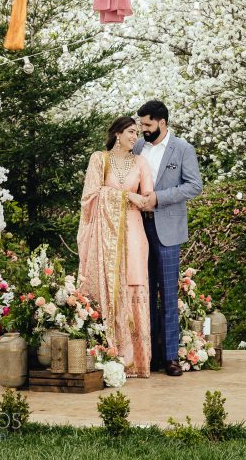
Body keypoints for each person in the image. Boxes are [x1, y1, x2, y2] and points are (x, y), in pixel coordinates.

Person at [77, 116, 153, 378]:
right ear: (117, 134)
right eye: (131, 132)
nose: (136, 137)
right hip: (104, 238)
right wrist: (125, 196)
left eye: (137, 133)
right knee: (108, 288)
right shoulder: (100, 159)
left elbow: (148, 201)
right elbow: (89, 197)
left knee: (133, 285)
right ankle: (104, 354)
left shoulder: (140, 162)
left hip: (133, 234)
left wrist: (136, 198)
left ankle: (136, 361)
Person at [133, 99, 203, 377]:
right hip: (138, 229)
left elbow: (194, 186)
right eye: (141, 125)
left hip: (168, 230)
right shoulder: (137, 147)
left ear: (162, 122)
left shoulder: (183, 149)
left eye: (147, 124)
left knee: (169, 295)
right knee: (145, 293)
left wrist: (158, 199)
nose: (143, 130)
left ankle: (171, 357)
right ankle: (150, 355)